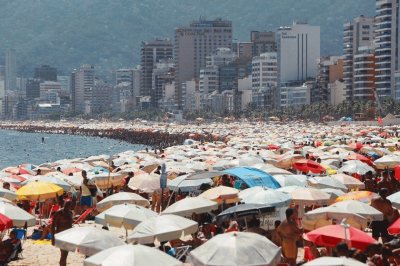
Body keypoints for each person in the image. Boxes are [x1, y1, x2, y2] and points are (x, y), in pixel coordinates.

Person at [51, 201, 73, 266]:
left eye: (69, 205)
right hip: (61, 235)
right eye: (67, 205)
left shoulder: (70, 213)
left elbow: (70, 225)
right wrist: (53, 238)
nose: (68, 206)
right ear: (64, 204)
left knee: (65, 254)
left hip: (68, 235)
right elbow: (53, 226)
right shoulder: (58, 213)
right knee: (64, 254)